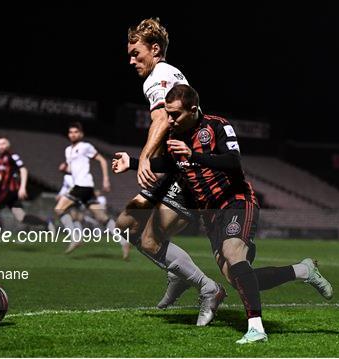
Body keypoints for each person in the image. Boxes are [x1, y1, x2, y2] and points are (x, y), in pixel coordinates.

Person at [113, 84, 333, 345]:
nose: (170, 120)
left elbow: (233, 161)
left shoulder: (216, 126)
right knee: (238, 277)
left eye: (175, 114)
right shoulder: (175, 136)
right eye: (168, 114)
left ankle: (256, 328)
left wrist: (194, 155)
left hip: (235, 200)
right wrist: (134, 163)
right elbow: (171, 164)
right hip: (210, 214)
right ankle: (302, 270)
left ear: (193, 110)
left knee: (233, 252)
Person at [117, 18, 225, 326]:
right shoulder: (165, 74)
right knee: (126, 224)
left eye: (136, 53)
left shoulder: (158, 75)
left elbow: (163, 120)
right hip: (171, 170)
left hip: (188, 172)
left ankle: (209, 289)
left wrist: (146, 158)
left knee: (151, 239)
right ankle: (177, 273)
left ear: (155, 49)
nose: (131, 60)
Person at [54, 122, 130, 259]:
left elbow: (102, 160)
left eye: (76, 132)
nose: (73, 134)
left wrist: (106, 179)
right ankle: (124, 241)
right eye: (71, 132)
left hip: (83, 186)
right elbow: (74, 169)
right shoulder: (67, 150)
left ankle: (75, 237)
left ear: (81, 134)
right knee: (102, 218)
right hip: (84, 187)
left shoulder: (85, 146)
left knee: (59, 209)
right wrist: (65, 169)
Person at [0, 136, 53, 250]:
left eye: (3, 143)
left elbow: (23, 170)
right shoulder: (1, 159)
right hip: (9, 192)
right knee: (21, 217)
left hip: (9, 191)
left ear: (8, 145)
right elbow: (0, 175)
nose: (1, 146)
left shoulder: (13, 156)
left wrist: (22, 187)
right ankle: (46, 224)